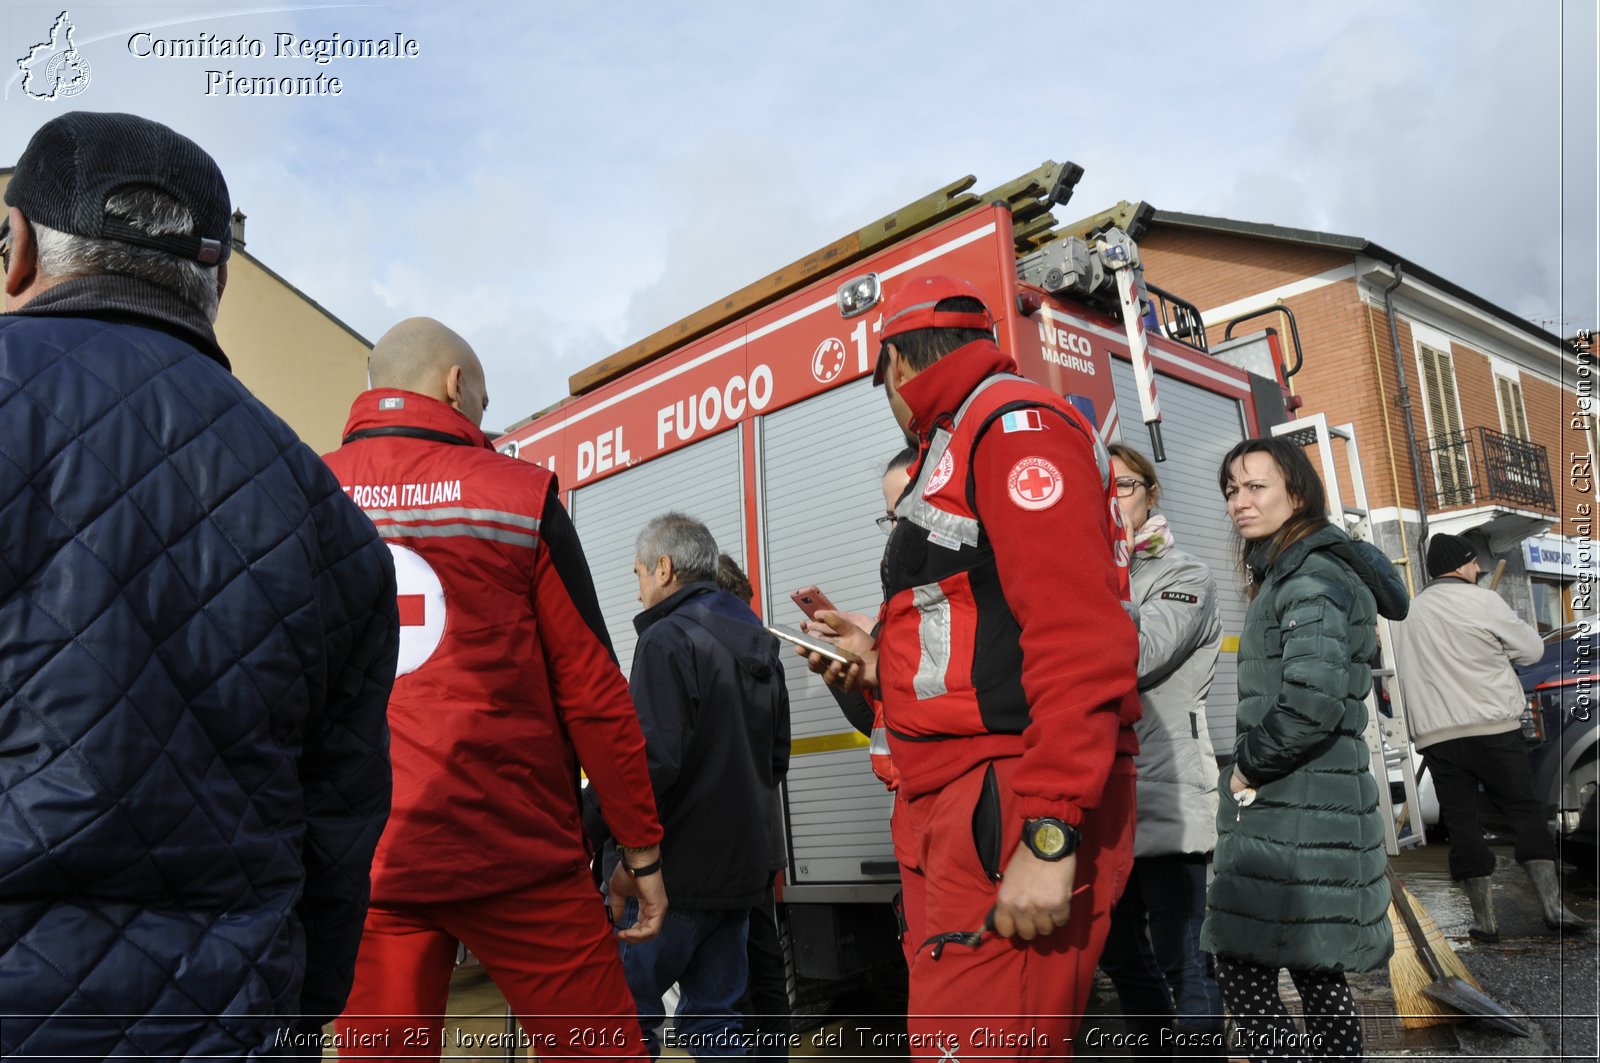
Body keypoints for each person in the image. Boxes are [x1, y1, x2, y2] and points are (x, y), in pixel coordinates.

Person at [0, 111, 398, 1057]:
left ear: (14, 249)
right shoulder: (327, 513)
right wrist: (299, 1008)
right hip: (222, 1015)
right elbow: (337, 824)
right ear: (216, 285)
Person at [801, 275, 1140, 1058]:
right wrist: (876, 653)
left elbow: (1076, 635)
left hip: (1003, 795)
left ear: (894, 364)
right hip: (962, 803)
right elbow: (984, 638)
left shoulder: (1009, 425)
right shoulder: (956, 440)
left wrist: (1050, 832)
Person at [325, 317, 666, 1061]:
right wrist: (640, 850)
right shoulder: (518, 495)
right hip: (520, 854)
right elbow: (593, 692)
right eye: (482, 395)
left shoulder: (300, 492)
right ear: (455, 384)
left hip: (369, 856)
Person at [1204, 437, 1407, 1062]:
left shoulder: (1308, 577)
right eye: (1232, 490)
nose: (1241, 501)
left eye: (1256, 486)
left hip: (1292, 807)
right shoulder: (1299, 569)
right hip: (1309, 806)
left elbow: (1311, 705)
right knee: (1318, 974)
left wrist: (1244, 768)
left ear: (1298, 493)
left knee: (1243, 968)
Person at [587, 515, 790, 1059]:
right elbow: (775, 760)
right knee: (716, 1023)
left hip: (669, 877)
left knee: (628, 1025)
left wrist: (587, 821)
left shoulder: (666, 638)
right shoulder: (760, 642)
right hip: (740, 879)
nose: (638, 588)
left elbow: (648, 766)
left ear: (664, 567)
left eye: (638, 573)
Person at [1096, 444, 1225, 1059]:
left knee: (1187, 966)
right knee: (1121, 959)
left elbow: (1136, 657)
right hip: (1103, 801)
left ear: (1150, 492)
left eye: (1123, 485)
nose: (1111, 497)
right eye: (1100, 487)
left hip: (1167, 792)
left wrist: (1099, 580)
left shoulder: (1183, 573)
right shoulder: (1090, 568)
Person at [1391, 532, 1586, 938]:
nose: (1480, 567)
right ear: (1461, 565)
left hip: (1437, 735)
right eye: (1473, 561)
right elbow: (1532, 652)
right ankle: (1554, 910)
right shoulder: (1483, 601)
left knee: (1462, 825)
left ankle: (1485, 922)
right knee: (1523, 812)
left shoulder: (1408, 613)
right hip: (1492, 727)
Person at [716, 553, 793, 1055]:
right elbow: (778, 756)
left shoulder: (691, 649)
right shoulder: (768, 655)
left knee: (726, 970)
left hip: (716, 845)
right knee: (764, 955)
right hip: (761, 839)